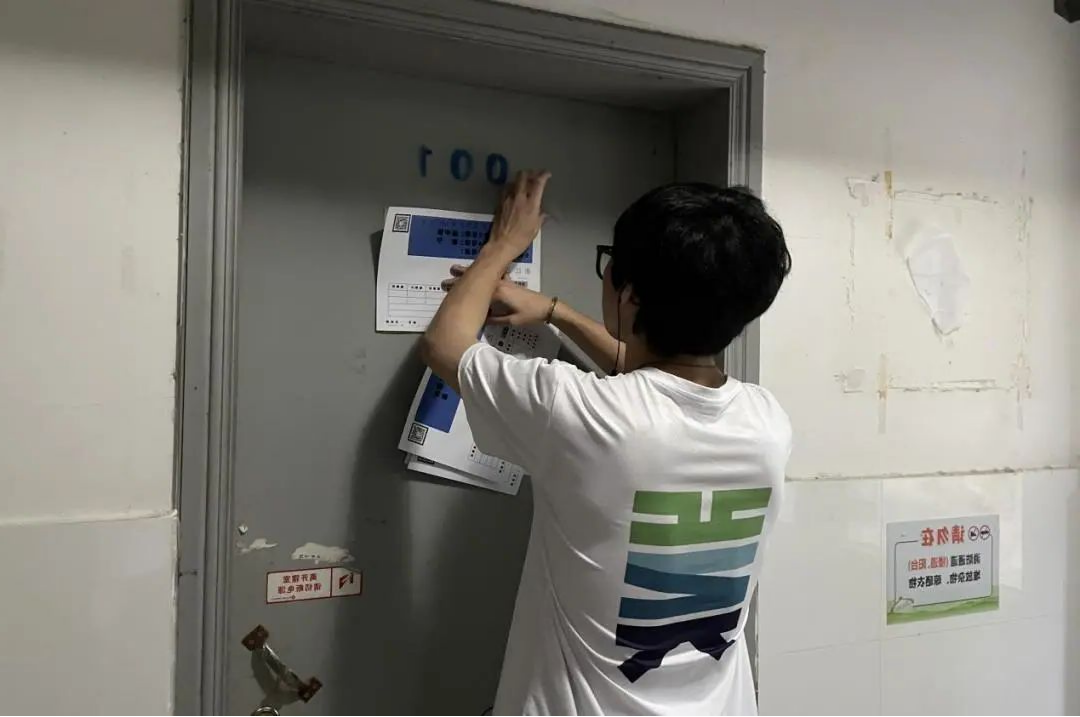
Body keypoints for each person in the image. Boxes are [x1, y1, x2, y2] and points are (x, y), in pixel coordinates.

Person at [420, 170, 793, 716]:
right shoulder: (768, 423)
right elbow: (654, 380)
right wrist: (554, 312)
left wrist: (503, 245)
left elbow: (444, 345)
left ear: (628, 291)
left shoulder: (575, 411)